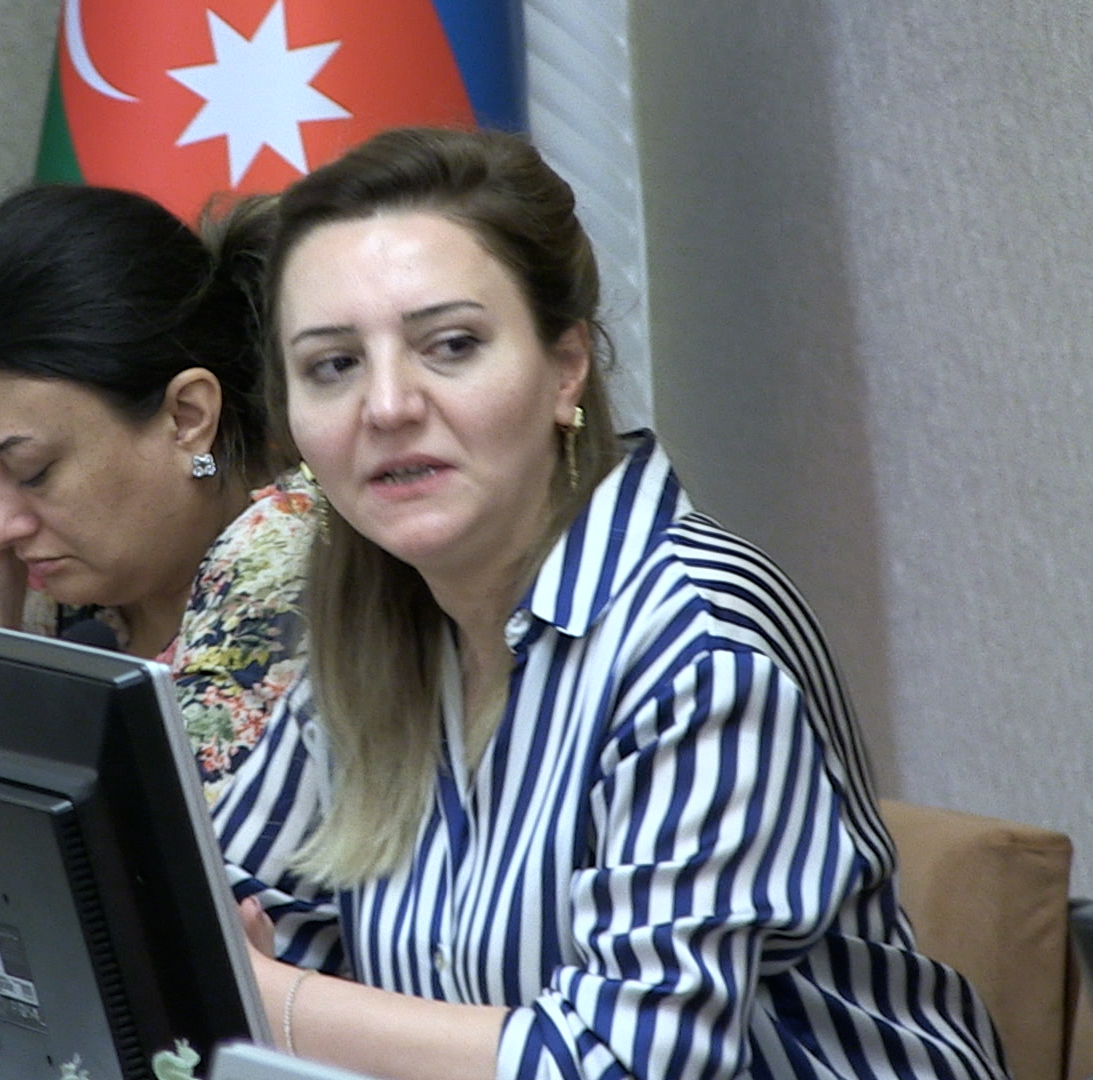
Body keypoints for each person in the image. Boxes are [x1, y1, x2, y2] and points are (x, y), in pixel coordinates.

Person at [213, 127, 1010, 1080]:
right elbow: (226, 919)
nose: (386, 406)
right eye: (333, 365)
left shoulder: (699, 642)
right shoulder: (379, 628)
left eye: (451, 346)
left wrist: (274, 1004)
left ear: (566, 368)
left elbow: (623, 1065)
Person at [0, 184, 316, 952]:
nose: (0, 523)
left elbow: (86, 935)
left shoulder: (290, 564)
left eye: (31, 471)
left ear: (187, 417)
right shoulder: (94, 615)